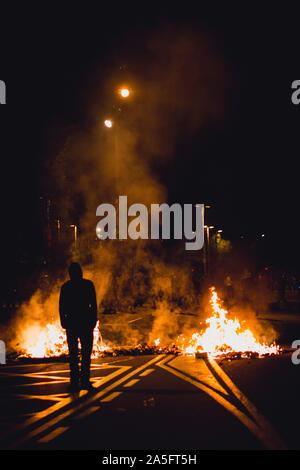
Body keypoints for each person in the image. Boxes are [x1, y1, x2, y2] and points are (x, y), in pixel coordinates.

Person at [59, 262, 97, 392]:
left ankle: (74, 382)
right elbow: (93, 305)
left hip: (72, 324)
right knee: (86, 355)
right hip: (85, 323)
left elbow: (62, 307)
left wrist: (63, 321)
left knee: (74, 355)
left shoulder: (66, 287)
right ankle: (85, 382)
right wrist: (93, 321)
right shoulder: (88, 285)